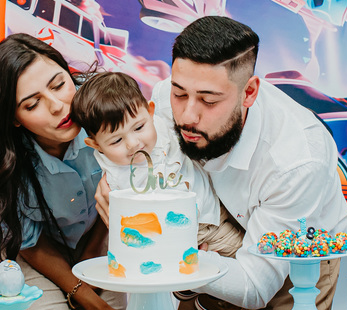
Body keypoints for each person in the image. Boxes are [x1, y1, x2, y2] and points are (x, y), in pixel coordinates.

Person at [97, 16, 347, 310]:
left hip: (295, 260)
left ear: (249, 92)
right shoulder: (166, 97)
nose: (187, 116)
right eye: (180, 94)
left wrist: (162, 250)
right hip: (207, 235)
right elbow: (147, 160)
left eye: (208, 100)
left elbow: (255, 287)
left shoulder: (296, 162)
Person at [0, 33, 122, 310]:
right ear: (13, 118)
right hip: (26, 248)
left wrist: (88, 263)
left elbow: (120, 190)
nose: (57, 105)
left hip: (100, 232)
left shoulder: (105, 107)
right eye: (32, 104)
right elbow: (30, 244)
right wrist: (88, 298)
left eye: (59, 85)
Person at [69, 71, 244, 260]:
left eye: (138, 128)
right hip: (180, 238)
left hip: (214, 210)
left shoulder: (164, 124)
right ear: (96, 145)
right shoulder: (115, 180)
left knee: (247, 249)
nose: (133, 143)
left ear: (150, 112)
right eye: (116, 140)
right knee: (233, 260)